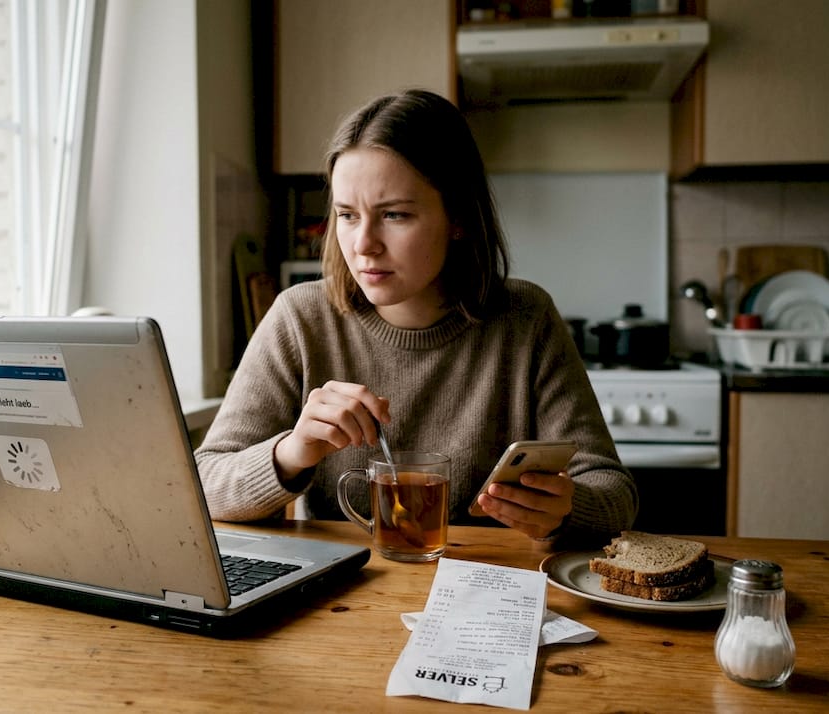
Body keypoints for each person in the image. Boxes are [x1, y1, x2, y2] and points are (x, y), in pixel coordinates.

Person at [195, 88, 635, 544]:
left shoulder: (526, 320)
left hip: (488, 590)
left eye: (396, 215)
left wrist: (565, 509)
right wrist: (291, 452)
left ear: (459, 217)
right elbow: (203, 484)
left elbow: (615, 495)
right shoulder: (300, 317)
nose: (363, 244)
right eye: (347, 215)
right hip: (345, 594)